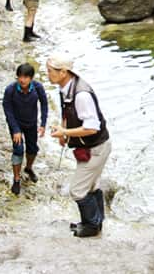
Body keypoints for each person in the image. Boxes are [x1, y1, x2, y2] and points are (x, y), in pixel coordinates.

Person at [47, 53, 111, 238]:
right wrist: (63, 130)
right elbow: (68, 112)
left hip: (96, 147)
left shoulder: (81, 94)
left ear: (63, 72)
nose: (47, 74)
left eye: (50, 71)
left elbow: (92, 127)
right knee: (91, 186)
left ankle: (91, 226)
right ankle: (95, 222)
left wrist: (65, 133)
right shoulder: (66, 87)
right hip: (93, 146)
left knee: (77, 190)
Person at [2, 63, 49, 195]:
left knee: (32, 148)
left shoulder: (38, 88)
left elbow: (44, 104)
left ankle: (28, 168)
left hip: (31, 122)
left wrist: (43, 124)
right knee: (18, 149)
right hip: (15, 122)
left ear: (31, 78)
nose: (22, 80)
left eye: (26, 77)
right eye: (20, 77)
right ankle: (16, 179)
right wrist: (15, 129)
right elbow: (8, 110)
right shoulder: (10, 90)